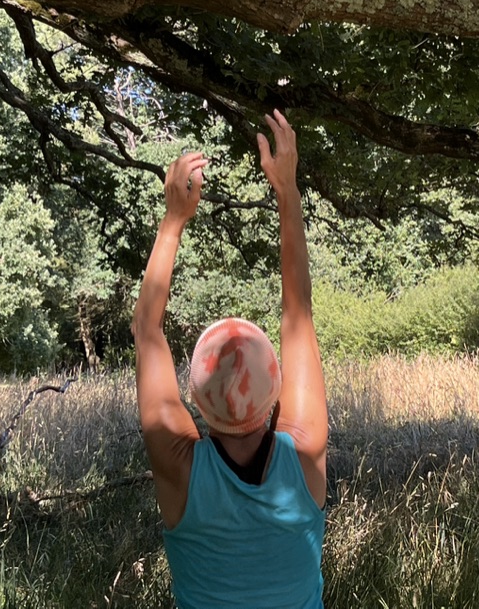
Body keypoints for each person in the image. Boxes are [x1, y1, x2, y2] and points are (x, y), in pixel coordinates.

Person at [132, 110, 328, 609]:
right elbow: (298, 314)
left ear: (194, 401)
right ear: (277, 390)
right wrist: (287, 190)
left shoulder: (180, 469)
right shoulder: (304, 452)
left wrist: (174, 219)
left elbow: (148, 331)